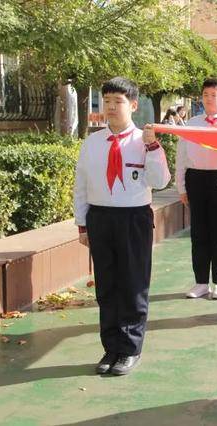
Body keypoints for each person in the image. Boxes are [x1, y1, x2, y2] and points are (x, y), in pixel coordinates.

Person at [74, 77, 171, 375]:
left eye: (117, 102)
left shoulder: (145, 141)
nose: (111, 108)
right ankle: (111, 348)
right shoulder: (92, 143)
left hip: (133, 219)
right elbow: (81, 185)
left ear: (133, 105)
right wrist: (82, 224)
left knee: (133, 285)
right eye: (106, 102)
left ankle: (130, 350)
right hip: (100, 219)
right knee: (107, 287)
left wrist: (153, 148)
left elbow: (159, 182)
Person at [175, 78, 217, 301]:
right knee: (199, 233)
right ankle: (201, 282)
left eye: (214, 95)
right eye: (205, 95)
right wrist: (182, 187)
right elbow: (182, 158)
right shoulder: (193, 123)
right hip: (196, 179)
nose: (209, 99)